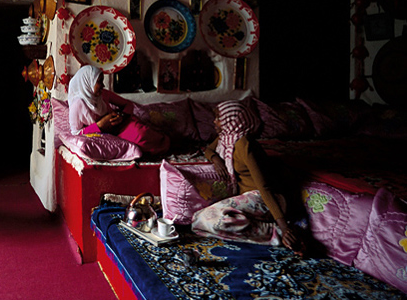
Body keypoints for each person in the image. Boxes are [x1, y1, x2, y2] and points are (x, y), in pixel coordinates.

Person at [191, 100, 305, 254]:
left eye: (218, 118)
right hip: (248, 197)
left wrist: (284, 227)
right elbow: (208, 149)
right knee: (197, 219)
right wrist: (216, 159)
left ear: (230, 121)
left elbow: (265, 187)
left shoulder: (246, 145)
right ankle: (262, 226)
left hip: (264, 198)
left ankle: (276, 233)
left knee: (210, 220)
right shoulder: (226, 139)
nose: (214, 121)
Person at [67, 65, 169, 155]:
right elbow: (76, 133)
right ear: (87, 83)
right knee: (140, 138)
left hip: (120, 127)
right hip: (103, 135)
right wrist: (100, 125)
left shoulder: (103, 94)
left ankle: (166, 144)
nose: (103, 85)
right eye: (99, 82)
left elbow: (128, 104)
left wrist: (121, 116)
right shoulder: (77, 105)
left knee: (142, 133)